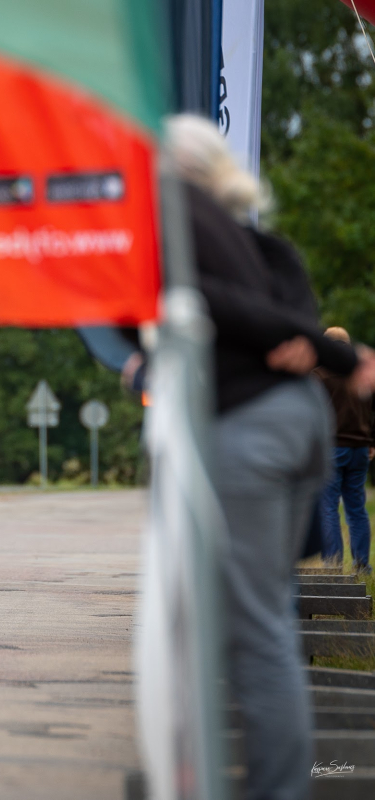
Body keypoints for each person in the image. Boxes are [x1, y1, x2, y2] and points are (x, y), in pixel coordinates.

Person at [165, 114, 375, 800]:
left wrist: (321, 347)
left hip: (251, 434)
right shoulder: (274, 252)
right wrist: (312, 343)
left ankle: (278, 787)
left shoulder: (182, 250)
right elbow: (297, 329)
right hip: (297, 428)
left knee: (253, 625)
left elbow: (250, 316)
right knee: (261, 611)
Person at [315, 327, 373, 574]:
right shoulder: (361, 373)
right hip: (360, 447)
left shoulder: (319, 374)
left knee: (328, 505)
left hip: (332, 447)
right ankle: (362, 565)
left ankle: (333, 565)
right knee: (356, 507)